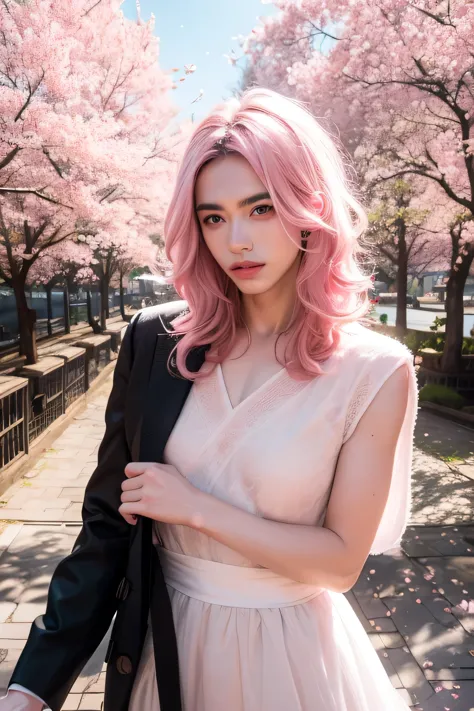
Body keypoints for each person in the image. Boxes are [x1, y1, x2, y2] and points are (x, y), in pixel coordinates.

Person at [1, 87, 418, 711]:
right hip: (160, 649)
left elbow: (339, 564)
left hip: (292, 658)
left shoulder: (374, 370)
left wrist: (196, 508)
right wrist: (31, 686)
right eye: (213, 217)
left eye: (261, 207)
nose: (236, 240)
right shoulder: (158, 342)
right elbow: (108, 530)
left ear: (309, 206)